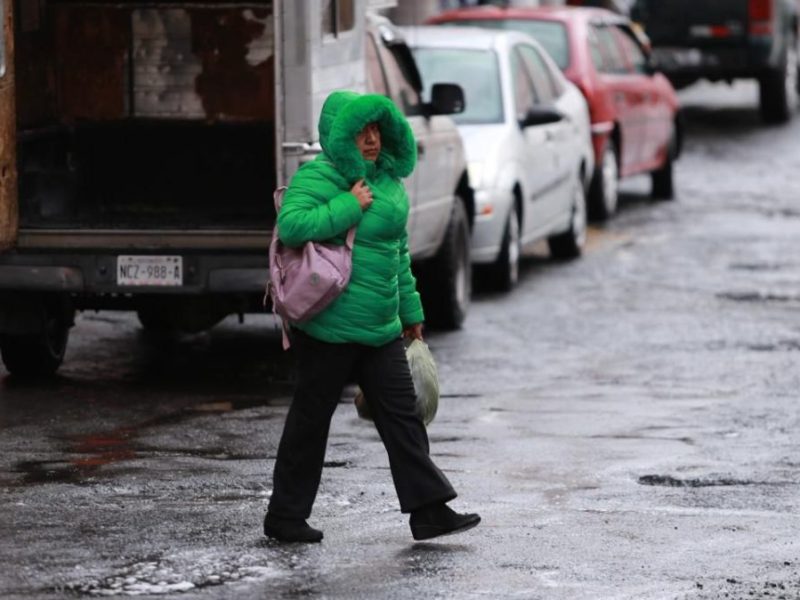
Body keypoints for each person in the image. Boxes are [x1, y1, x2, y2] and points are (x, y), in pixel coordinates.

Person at [263, 90, 480, 543]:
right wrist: (348, 205)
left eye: (377, 130)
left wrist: (411, 312)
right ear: (338, 136)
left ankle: (429, 511)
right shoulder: (319, 177)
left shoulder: (388, 184)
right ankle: (285, 517)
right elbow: (293, 226)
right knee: (311, 420)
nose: (370, 140)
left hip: (380, 327)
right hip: (328, 326)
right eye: (360, 132)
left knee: (403, 417)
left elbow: (396, 254)